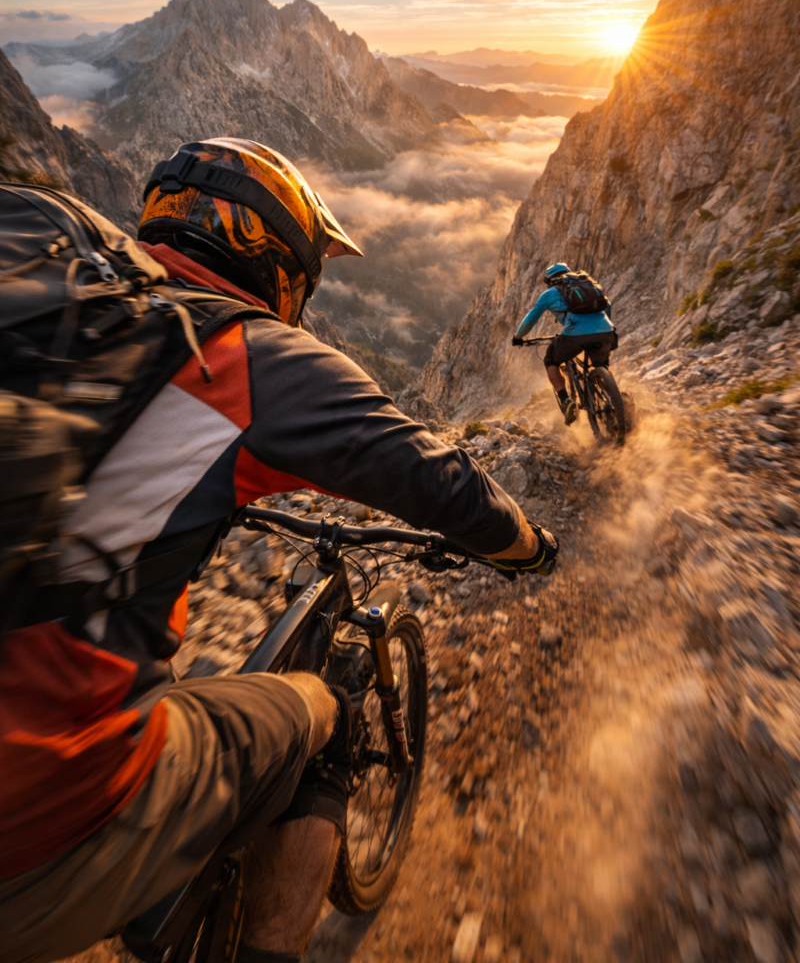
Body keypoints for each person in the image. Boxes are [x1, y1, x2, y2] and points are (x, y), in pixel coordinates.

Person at [0, 138, 558, 963]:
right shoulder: (249, 360)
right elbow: (444, 485)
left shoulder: (62, 314)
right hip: (47, 829)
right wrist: (528, 550)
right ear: (281, 262)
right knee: (322, 715)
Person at [511, 261, 616, 424]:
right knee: (600, 366)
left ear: (550, 281)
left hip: (576, 335)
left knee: (551, 360)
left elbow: (531, 317)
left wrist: (518, 337)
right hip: (606, 332)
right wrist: (603, 327)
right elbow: (607, 305)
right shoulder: (587, 286)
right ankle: (615, 399)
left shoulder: (550, 294)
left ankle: (566, 401)